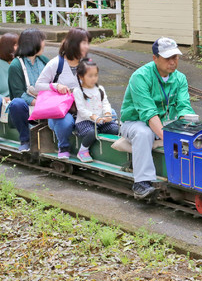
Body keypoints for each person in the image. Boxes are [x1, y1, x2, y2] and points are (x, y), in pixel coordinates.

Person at [120, 37, 195, 199]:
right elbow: (148, 114)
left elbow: (183, 107)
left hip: (163, 121)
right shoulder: (140, 77)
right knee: (144, 132)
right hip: (135, 122)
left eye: (175, 57)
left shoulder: (180, 78)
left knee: (189, 131)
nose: (173, 62)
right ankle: (141, 183)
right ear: (155, 58)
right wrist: (169, 137)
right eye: (168, 58)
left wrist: (187, 128)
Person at [35, 27, 91, 159]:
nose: (87, 47)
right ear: (73, 44)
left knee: (110, 115)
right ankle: (63, 146)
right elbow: (38, 86)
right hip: (60, 110)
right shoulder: (56, 64)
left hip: (82, 107)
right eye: (84, 43)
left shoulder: (86, 64)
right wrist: (56, 86)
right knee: (65, 122)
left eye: (88, 43)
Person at [7, 29, 49, 152]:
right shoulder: (15, 65)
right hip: (29, 105)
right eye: (42, 41)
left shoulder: (43, 60)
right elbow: (18, 94)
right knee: (16, 104)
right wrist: (38, 102)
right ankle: (25, 139)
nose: (44, 44)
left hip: (46, 101)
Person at [73, 58, 118, 163]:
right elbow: (81, 109)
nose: (94, 78)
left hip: (100, 120)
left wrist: (107, 114)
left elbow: (105, 103)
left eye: (95, 75)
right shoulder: (78, 91)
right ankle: (82, 151)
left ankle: (109, 151)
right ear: (81, 77)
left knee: (115, 129)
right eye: (90, 76)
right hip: (85, 121)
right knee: (91, 132)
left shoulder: (100, 89)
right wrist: (93, 117)